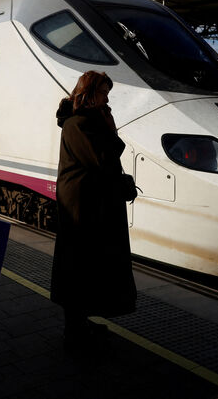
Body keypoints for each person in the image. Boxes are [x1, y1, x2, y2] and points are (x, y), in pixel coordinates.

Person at [51, 70, 137, 348]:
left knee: (87, 266)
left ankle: (81, 321)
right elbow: (102, 160)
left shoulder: (87, 121)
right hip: (80, 207)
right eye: (103, 93)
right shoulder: (76, 123)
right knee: (77, 266)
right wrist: (111, 127)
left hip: (91, 203)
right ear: (88, 93)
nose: (106, 99)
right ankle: (73, 329)